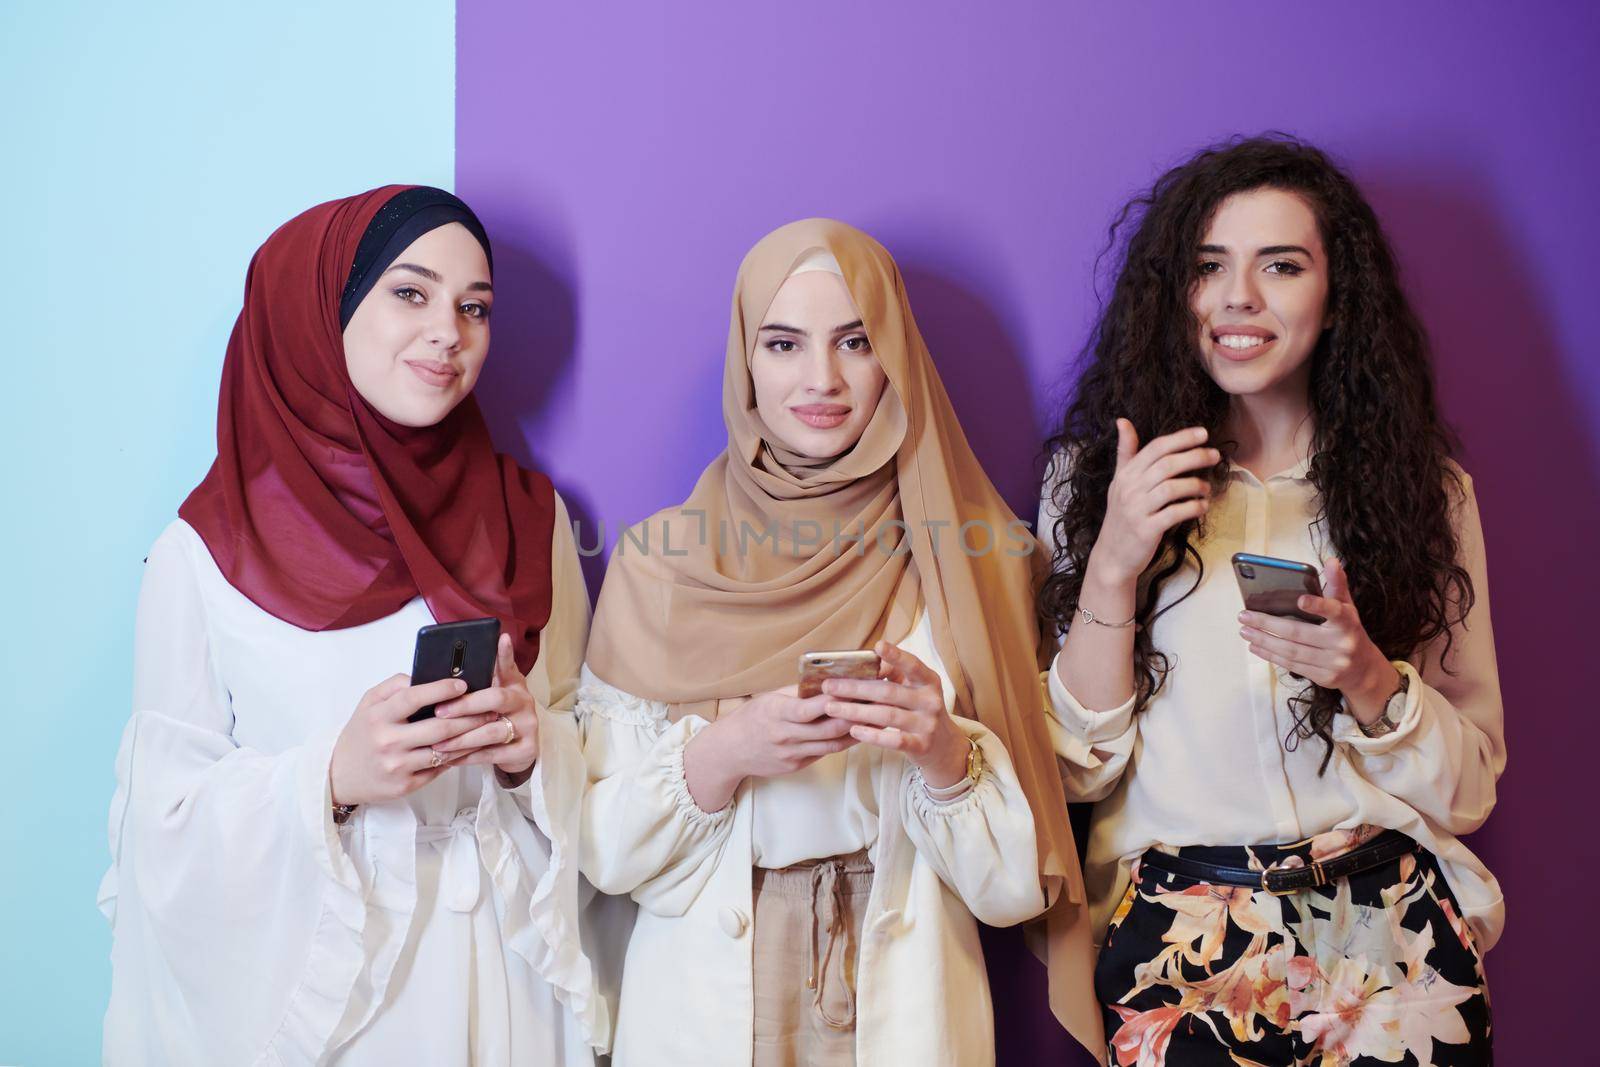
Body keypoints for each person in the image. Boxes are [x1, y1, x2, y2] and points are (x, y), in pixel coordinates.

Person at [100, 186, 607, 1065]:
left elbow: (595, 752)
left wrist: (533, 753)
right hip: (341, 1011)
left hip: (508, 1002)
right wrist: (332, 777)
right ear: (319, 309)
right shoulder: (204, 554)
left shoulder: (533, 517)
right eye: (410, 292)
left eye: (474, 306)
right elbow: (162, 834)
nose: (450, 330)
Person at [577, 219, 1101, 1066]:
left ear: (894, 352)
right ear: (746, 359)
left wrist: (940, 751)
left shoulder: (977, 557)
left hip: (911, 989)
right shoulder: (658, 562)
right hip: (702, 993)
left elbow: (1013, 889)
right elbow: (601, 850)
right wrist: (727, 751)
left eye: (854, 340)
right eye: (783, 343)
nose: (820, 378)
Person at [1040, 137, 1502, 1065]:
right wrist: (1113, 564)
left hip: (1385, 927)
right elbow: (1072, 775)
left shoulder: (1426, 492)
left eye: (1280, 265)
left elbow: (1473, 787)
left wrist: (1373, 680)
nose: (1239, 297)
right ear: (1177, 293)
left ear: (1336, 300)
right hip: (1181, 938)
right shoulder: (1092, 486)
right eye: (1209, 267)